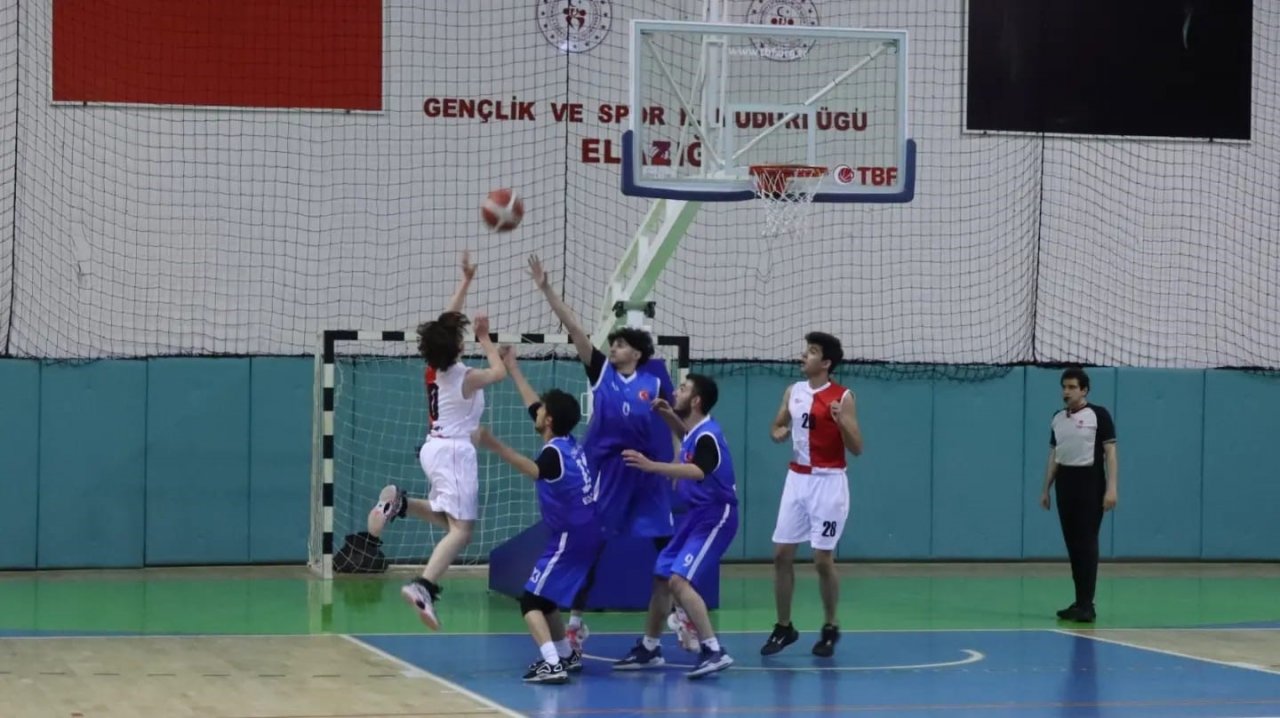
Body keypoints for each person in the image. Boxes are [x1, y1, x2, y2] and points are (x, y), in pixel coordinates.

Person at [526, 254, 678, 650]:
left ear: (638, 353)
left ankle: (679, 617)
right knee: (591, 546)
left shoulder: (656, 381)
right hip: (606, 472)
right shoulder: (602, 373)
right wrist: (546, 289)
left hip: (645, 473)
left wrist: (674, 464)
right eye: (612, 342)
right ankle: (575, 623)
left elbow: (675, 426)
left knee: (665, 544)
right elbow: (575, 327)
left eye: (621, 343)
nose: (613, 347)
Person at [368, 251, 508, 630]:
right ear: (460, 346)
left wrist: (465, 281)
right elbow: (499, 371)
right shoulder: (466, 376)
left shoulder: (433, 369)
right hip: (454, 452)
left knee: (450, 522)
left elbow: (444, 326)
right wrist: (486, 338)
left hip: (434, 448)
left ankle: (401, 503)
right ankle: (423, 585)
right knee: (462, 531)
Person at [471, 349, 599, 683]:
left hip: (571, 535)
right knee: (546, 599)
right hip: (587, 531)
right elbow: (534, 405)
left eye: (542, 409)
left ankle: (551, 663)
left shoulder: (553, 454)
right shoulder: (568, 442)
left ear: (550, 421)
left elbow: (533, 469)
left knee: (529, 601)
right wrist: (513, 368)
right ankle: (566, 657)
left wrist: (493, 444)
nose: (536, 410)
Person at [613, 374, 738, 679]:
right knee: (661, 576)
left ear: (696, 401)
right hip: (696, 515)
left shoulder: (708, 435)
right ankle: (650, 647)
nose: (675, 391)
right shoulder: (696, 431)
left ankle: (713, 650)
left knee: (679, 581)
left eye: (683, 389)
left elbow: (698, 469)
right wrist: (668, 415)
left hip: (715, 517)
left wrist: (652, 465)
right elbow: (685, 437)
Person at [762, 331, 863, 658]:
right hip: (797, 480)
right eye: (806, 350)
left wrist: (839, 421)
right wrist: (779, 433)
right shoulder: (793, 391)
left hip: (829, 482)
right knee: (781, 554)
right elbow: (777, 425)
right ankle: (784, 626)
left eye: (812, 351)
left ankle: (830, 625)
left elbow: (857, 447)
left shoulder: (842, 396)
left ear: (827, 362)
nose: (804, 356)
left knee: (822, 559)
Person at [1039, 367, 1119, 624]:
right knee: (1073, 545)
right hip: (1065, 484)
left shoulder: (1099, 415)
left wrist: (1112, 488)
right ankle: (1080, 601)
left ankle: (1088, 604)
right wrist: (1046, 489)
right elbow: (1054, 456)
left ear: (1084, 390)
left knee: (1086, 543)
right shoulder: (1057, 419)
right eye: (1064, 387)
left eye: (1072, 387)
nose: (1067, 392)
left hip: (1090, 483)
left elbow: (1110, 454)